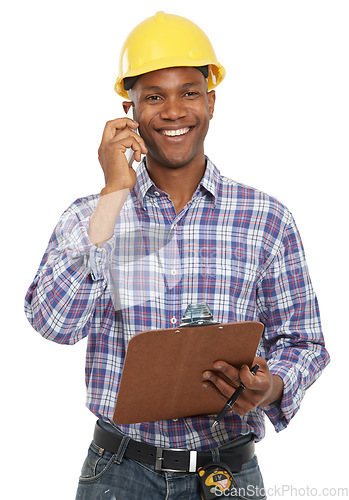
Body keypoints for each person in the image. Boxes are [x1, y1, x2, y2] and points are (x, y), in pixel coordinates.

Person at [24, 11, 330, 500]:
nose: (172, 111)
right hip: (119, 472)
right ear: (130, 109)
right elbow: (53, 323)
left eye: (188, 92)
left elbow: (305, 343)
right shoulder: (91, 215)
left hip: (227, 475)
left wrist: (269, 388)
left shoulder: (265, 218)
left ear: (210, 101)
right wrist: (113, 193)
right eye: (153, 96)